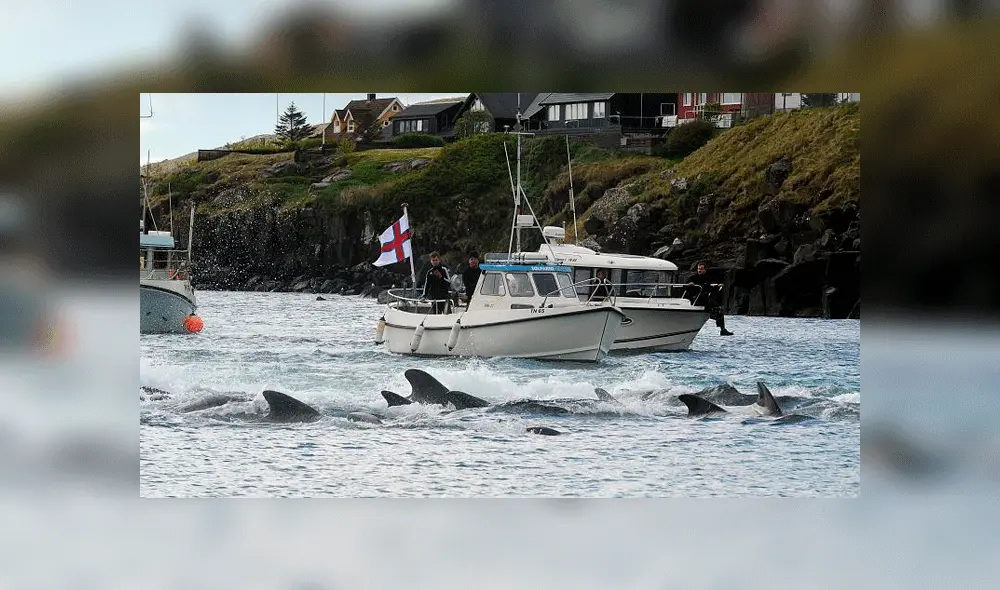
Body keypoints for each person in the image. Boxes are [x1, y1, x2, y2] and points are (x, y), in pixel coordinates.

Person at [687, 262, 733, 336]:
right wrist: (690, 284)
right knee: (716, 308)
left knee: (719, 309)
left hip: (704, 298)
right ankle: (720, 326)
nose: (699, 270)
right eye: (699, 269)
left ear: (704, 270)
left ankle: (722, 329)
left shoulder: (706, 278)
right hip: (696, 299)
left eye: (701, 269)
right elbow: (686, 285)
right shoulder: (693, 278)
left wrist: (718, 286)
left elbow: (710, 288)